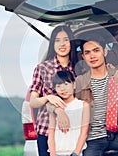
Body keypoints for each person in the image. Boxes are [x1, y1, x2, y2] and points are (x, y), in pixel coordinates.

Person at [50, 34, 118, 156]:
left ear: (104, 52)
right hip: (92, 138)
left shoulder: (117, 72)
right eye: (88, 52)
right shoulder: (79, 81)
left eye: (96, 50)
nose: (92, 56)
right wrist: (59, 111)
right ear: (84, 57)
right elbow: (55, 100)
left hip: (117, 134)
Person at [28, 25, 77, 156]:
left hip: (72, 131)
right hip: (46, 129)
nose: (62, 44)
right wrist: (48, 98)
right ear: (52, 44)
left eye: (66, 40)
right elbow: (33, 102)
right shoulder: (42, 68)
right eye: (57, 40)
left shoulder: (79, 69)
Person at [48, 70, 90, 156]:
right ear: (55, 89)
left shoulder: (83, 105)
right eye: (58, 86)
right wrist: (53, 154)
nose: (63, 89)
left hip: (76, 152)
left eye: (66, 84)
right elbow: (51, 135)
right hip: (57, 152)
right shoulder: (55, 107)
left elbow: (84, 133)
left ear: (74, 85)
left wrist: (76, 153)